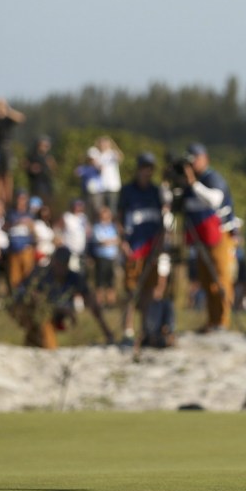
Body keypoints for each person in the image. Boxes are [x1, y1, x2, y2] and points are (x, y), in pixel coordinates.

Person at [10, 246, 115, 349]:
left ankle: (35, 343)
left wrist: (107, 331)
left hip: (57, 317)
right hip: (35, 314)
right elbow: (22, 292)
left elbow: (92, 303)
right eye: (59, 262)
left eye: (64, 263)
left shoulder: (74, 278)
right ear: (53, 261)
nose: (61, 266)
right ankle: (43, 345)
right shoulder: (40, 274)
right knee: (42, 323)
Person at [181, 142, 237, 332]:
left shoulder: (212, 178)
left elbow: (215, 199)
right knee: (206, 280)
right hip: (200, 237)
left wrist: (193, 184)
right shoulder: (189, 182)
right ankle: (212, 320)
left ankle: (223, 320)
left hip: (219, 235)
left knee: (221, 278)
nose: (192, 163)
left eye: (195, 159)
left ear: (205, 158)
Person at [117, 152, 166, 341]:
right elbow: (119, 217)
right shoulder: (127, 191)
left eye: (150, 168)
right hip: (134, 247)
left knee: (149, 291)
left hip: (151, 248)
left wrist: (160, 245)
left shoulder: (155, 191)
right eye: (144, 168)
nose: (147, 172)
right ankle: (128, 332)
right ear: (138, 169)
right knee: (131, 291)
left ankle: (146, 330)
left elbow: (161, 222)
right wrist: (122, 241)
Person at [134, 253, 177, 360]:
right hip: (147, 251)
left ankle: (161, 332)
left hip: (160, 253)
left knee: (159, 292)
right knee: (152, 292)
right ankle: (150, 333)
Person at [4, 190, 37, 289]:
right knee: (14, 278)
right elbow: (5, 227)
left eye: (23, 199)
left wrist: (30, 225)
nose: (21, 201)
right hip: (13, 249)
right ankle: (16, 298)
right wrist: (17, 222)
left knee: (27, 274)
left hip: (26, 248)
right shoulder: (10, 213)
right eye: (19, 198)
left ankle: (27, 297)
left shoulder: (30, 214)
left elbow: (34, 233)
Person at [90, 205, 120, 308]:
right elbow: (101, 241)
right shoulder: (97, 227)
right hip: (101, 258)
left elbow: (117, 240)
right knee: (100, 282)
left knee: (111, 282)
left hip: (111, 257)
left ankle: (110, 303)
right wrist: (111, 241)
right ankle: (99, 303)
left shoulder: (113, 227)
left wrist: (110, 241)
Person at [0, 97, 26, 203]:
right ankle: (0, 197)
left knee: (7, 173)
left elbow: (21, 118)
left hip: (6, 147)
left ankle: (7, 197)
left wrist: (8, 110)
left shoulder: (7, 119)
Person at [25, 135, 56, 206]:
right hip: (36, 185)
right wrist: (32, 168)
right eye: (44, 145)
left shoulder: (49, 157)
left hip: (47, 186)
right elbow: (27, 166)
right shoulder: (32, 156)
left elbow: (53, 171)